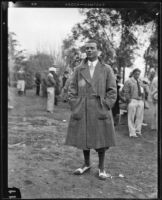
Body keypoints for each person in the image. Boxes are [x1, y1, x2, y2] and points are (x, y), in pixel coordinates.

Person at [65, 40, 117, 180]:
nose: (89, 50)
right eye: (87, 48)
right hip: (83, 108)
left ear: (97, 51)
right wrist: (75, 104)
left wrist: (106, 105)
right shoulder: (78, 69)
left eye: (92, 48)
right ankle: (86, 164)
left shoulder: (106, 69)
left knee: (101, 139)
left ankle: (101, 168)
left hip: (100, 108)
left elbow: (112, 90)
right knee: (84, 137)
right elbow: (72, 89)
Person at [122, 68, 145, 137]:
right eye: (136, 74)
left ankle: (138, 131)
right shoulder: (128, 81)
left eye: (138, 74)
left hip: (140, 100)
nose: (137, 75)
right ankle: (132, 133)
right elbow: (125, 91)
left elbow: (143, 91)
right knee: (131, 117)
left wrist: (143, 100)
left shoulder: (140, 81)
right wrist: (128, 100)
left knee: (139, 117)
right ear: (133, 73)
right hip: (133, 100)